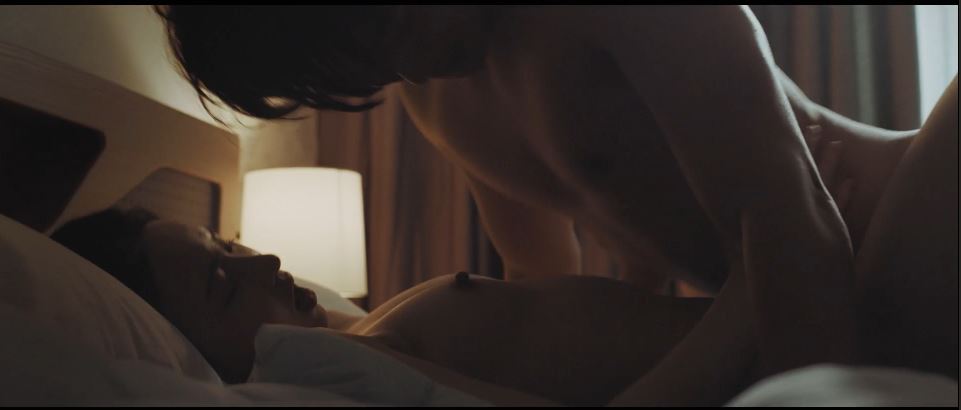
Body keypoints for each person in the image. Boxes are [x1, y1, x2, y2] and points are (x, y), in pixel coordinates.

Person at [153, 4, 958, 402]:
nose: (414, 66)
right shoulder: (436, 100)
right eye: (376, 71)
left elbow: (794, 228)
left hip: (897, 212)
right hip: (821, 285)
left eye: (390, 26)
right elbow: (545, 285)